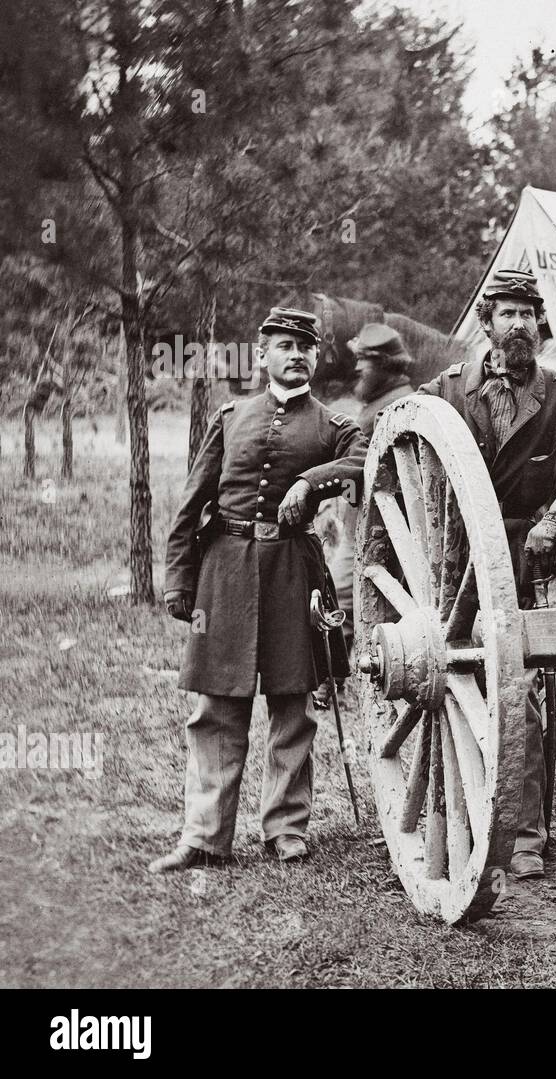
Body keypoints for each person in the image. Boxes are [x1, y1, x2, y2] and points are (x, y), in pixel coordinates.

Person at [415, 269, 556, 880]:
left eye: (527, 314)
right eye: (506, 313)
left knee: (521, 697)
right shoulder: (449, 391)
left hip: (526, 560)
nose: (517, 324)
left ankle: (525, 834)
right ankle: (453, 815)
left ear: (540, 325)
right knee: (453, 690)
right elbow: (404, 437)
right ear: (486, 323)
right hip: (456, 566)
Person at [149, 307, 367, 873]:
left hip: (292, 569)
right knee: (216, 706)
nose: (295, 355)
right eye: (284, 345)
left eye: (305, 347)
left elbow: (365, 460)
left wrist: (308, 480)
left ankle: (286, 829)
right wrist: (179, 580)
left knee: (293, 705)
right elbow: (192, 502)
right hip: (223, 571)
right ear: (263, 354)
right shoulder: (230, 416)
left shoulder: (332, 425)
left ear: (317, 358)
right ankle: (204, 837)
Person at [326, 323, 414, 653]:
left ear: (387, 366)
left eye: (366, 360)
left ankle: (327, 689)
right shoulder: (380, 402)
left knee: (334, 604)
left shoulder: (396, 407)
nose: (358, 367)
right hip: (361, 529)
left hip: (378, 534)